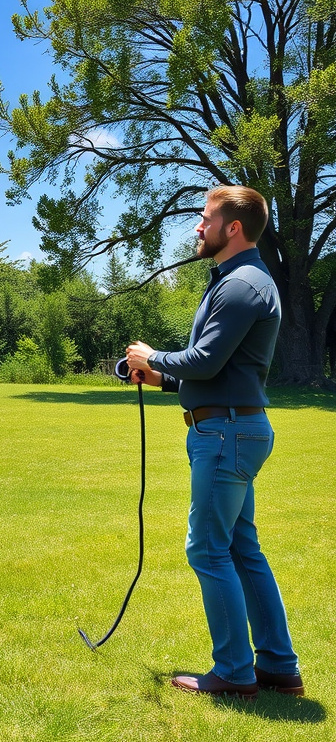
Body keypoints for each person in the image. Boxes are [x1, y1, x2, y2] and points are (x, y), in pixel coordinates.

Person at [124, 185, 302, 699]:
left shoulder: (242, 284)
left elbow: (204, 360)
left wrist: (153, 355)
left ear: (233, 228)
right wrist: (159, 379)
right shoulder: (241, 280)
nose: (198, 227)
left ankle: (234, 672)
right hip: (233, 427)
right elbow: (218, 369)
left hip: (225, 434)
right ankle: (276, 665)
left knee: (206, 548)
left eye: (205, 219)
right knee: (243, 548)